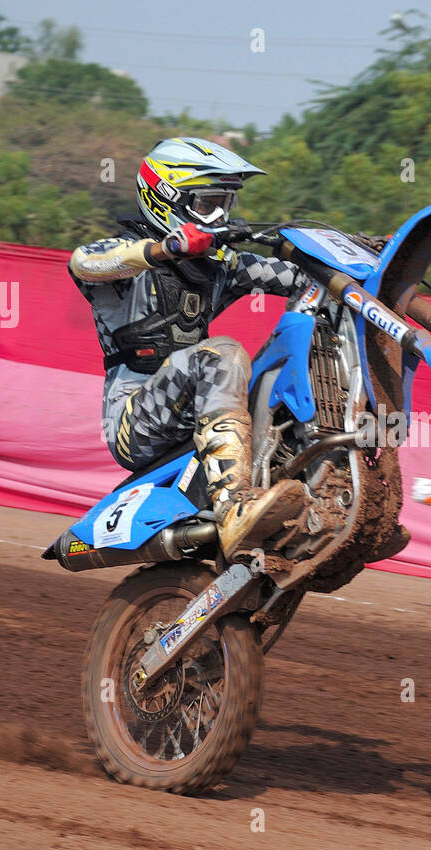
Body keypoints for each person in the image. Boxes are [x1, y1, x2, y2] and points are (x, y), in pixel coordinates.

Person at [68, 136, 308, 558]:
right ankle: (235, 506)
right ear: (165, 197)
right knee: (225, 354)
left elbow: (299, 276)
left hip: (193, 409)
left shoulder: (221, 264)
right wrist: (168, 248)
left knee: (275, 374)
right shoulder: (125, 256)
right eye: (207, 204)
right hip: (133, 420)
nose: (219, 216)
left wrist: (362, 256)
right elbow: (84, 261)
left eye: (226, 204)